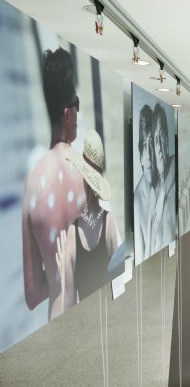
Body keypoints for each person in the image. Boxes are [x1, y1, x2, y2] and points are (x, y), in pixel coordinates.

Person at [22, 47, 86, 319]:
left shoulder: (33, 182)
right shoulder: (87, 173)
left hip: (57, 326)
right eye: (78, 107)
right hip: (90, 312)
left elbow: (33, 293)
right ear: (67, 113)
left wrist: (56, 274)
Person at [55, 130, 117, 309]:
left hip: (87, 320)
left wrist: (62, 275)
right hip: (108, 314)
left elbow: (68, 299)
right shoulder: (109, 222)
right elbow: (118, 276)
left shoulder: (73, 232)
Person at [149, 103, 176, 253]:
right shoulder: (151, 187)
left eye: (162, 136)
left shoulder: (172, 168)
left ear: (167, 138)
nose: (159, 144)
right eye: (155, 138)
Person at [133, 104, 156, 261]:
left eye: (152, 144)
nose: (149, 154)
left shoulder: (161, 184)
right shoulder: (139, 198)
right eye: (145, 145)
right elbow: (140, 253)